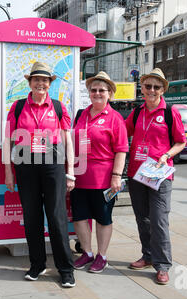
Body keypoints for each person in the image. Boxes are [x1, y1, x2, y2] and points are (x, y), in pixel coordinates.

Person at [3, 61, 76, 288]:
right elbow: (7, 141)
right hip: (25, 163)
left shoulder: (58, 107)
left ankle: (65, 269)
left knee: (56, 217)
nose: (41, 83)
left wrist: (70, 171)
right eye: (36, 79)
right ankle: (37, 264)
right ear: (30, 82)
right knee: (32, 216)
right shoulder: (16, 107)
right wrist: (8, 172)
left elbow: (68, 140)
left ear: (50, 83)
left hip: (52, 163)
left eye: (45, 80)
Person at [125, 68, 186, 285]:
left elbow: (181, 142)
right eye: (148, 86)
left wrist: (166, 154)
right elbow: (123, 134)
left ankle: (163, 265)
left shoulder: (170, 112)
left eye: (156, 87)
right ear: (142, 88)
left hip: (160, 175)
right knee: (143, 218)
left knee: (159, 220)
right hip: (137, 173)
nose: (151, 90)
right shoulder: (137, 112)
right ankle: (148, 255)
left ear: (162, 90)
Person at [70, 71, 128, 273]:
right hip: (79, 177)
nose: (97, 93)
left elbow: (121, 149)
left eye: (101, 90)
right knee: (79, 217)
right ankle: (86, 252)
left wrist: (116, 176)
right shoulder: (82, 114)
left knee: (103, 218)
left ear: (110, 94)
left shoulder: (115, 118)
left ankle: (101, 255)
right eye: (93, 90)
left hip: (104, 179)